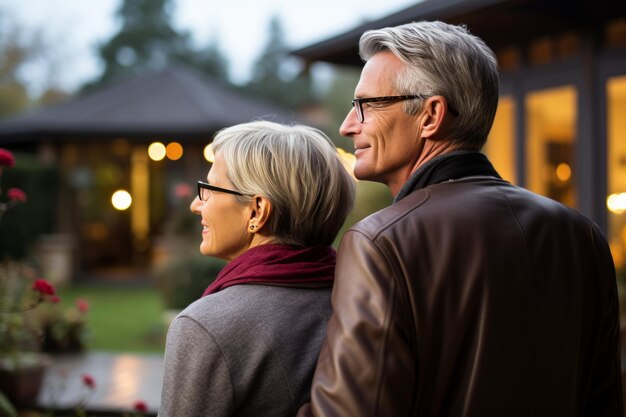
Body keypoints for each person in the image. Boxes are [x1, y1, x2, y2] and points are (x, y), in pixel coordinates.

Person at [298, 21, 622, 417]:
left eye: (366, 105)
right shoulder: (581, 236)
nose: (348, 125)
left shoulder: (380, 243)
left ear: (430, 116)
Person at [159, 121, 355, 417]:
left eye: (208, 190)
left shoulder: (205, 326)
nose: (196, 206)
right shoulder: (361, 302)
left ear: (256, 211)